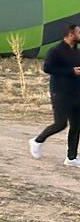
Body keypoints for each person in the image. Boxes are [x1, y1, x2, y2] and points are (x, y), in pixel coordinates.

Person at [30, 23, 80, 168]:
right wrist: (71, 71)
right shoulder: (55, 51)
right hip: (60, 93)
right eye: (79, 32)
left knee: (77, 125)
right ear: (70, 34)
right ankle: (37, 141)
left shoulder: (77, 52)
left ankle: (71, 157)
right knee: (60, 124)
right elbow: (48, 68)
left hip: (76, 93)